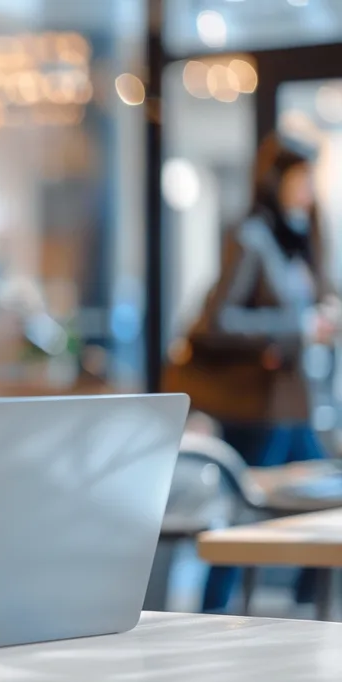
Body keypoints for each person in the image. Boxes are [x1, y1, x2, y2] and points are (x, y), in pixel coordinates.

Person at [167, 133, 338, 612]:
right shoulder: (252, 237)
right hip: (258, 404)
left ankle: (305, 606)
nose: (308, 188)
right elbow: (217, 321)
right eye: (301, 177)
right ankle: (216, 611)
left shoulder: (298, 238)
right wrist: (298, 326)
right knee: (246, 513)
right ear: (277, 178)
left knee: (306, 502)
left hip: (291, 403)